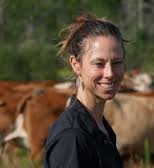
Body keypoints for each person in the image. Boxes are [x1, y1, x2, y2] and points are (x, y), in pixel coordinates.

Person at [44, 13, 125, 168]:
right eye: (99, 63)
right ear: (76, 65)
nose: (110, 73)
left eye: (117, 62)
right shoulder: (72, 137)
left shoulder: (100, 127)